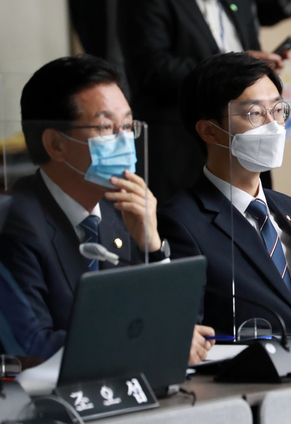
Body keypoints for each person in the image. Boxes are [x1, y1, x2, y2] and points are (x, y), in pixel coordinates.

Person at [0, 55, 214, 363]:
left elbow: (188, 324)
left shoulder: (122, 211)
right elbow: (30, 346)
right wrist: (148, 341)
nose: (124, 140)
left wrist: (152, 246)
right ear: (56, 144)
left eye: (127, 126)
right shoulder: (15, 223)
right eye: (105, 127)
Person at [158, 52, 291, 336]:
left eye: (278, 110)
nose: (274, 126)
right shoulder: (180, 222)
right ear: (209, 131)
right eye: (255, 113)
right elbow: (187, 330)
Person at [117, 0, 291, 205]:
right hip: (180, 148)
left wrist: (260, 67)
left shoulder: (240, 3)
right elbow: (152, 71)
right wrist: (229, 69)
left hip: (247, 143)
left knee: (255, 213)